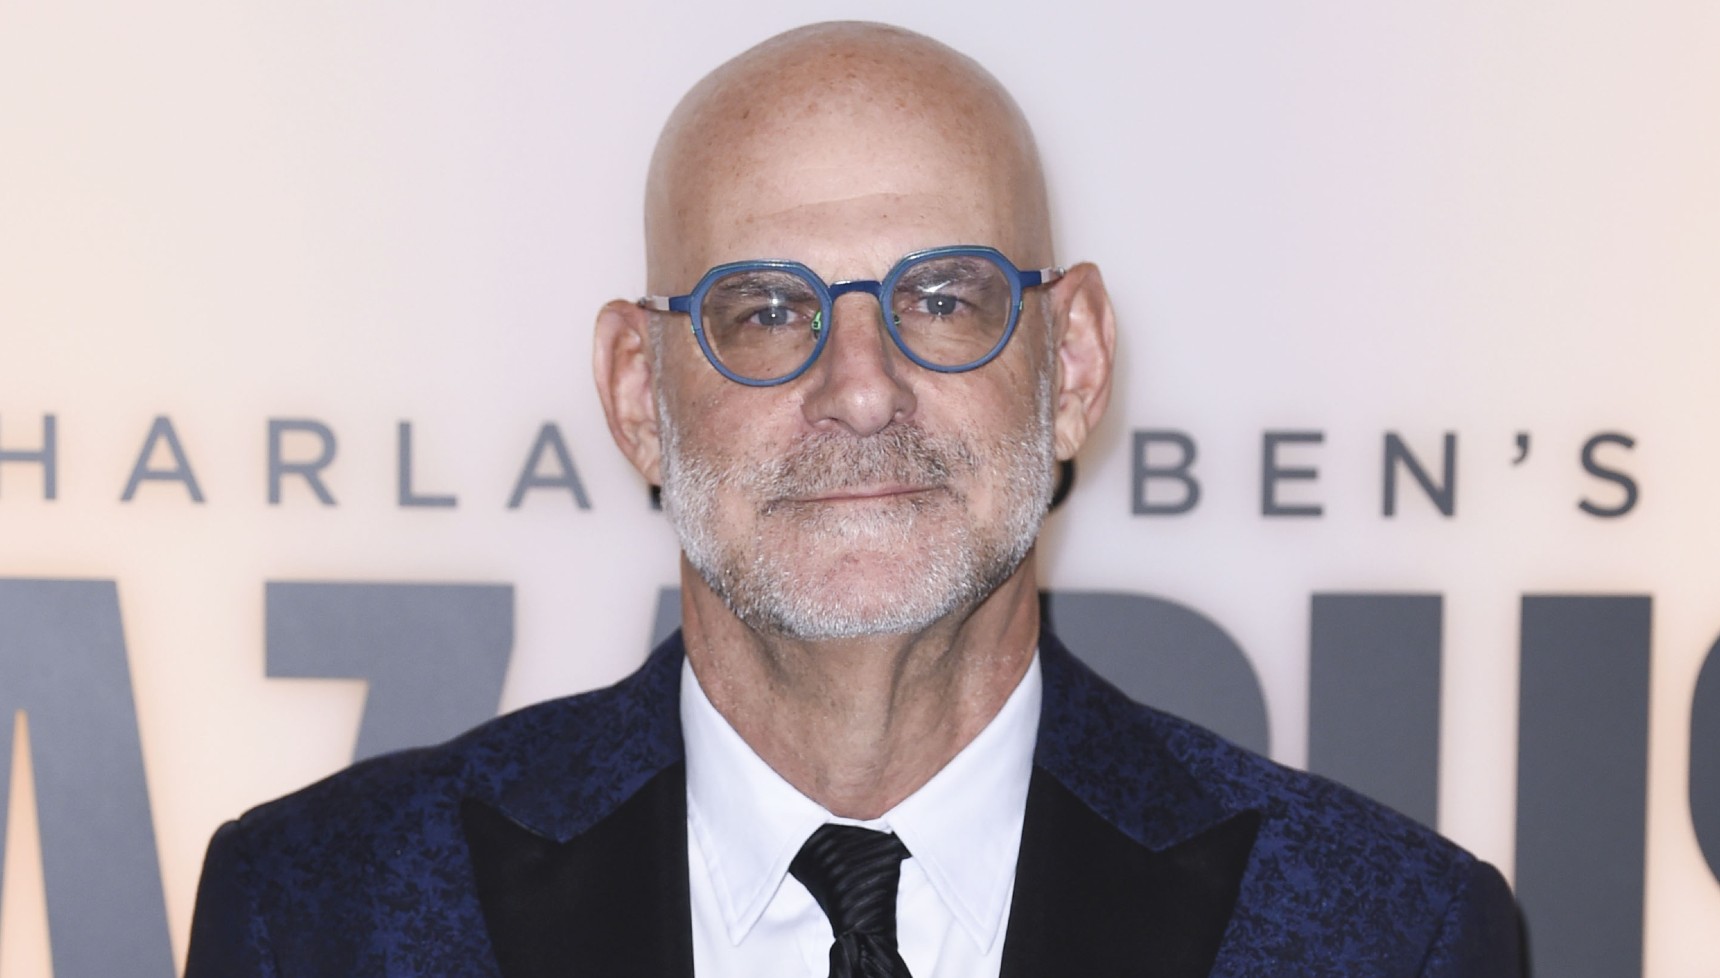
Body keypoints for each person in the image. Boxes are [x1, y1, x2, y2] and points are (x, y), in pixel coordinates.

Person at [185, 21, 1522, 977]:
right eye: (767, 310)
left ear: (1071, 364)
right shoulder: (317, 912)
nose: (864, 389)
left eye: (943, 297)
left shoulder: (1390, 933)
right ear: (640, 393)